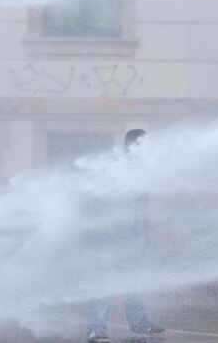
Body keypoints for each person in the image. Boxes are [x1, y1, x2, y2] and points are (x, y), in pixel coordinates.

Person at [86, 129, 165, 343]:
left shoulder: (142, 170)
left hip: (131, 235)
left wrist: (143, 234)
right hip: (108, 235)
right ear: (133, 144)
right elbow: (96, 201)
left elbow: (140, 207)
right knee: (104, 281)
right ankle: (96, 328)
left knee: (134, 281)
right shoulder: (114, 167)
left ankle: (140, 322)